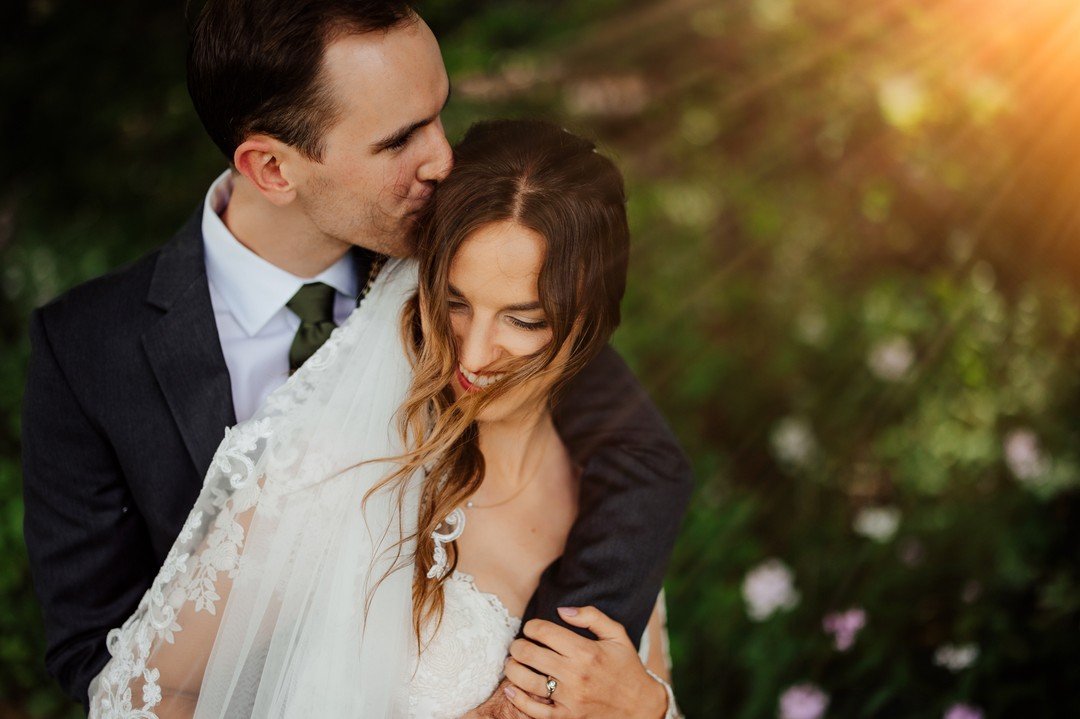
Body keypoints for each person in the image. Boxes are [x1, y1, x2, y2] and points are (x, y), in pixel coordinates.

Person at [20, 1, 692, 716]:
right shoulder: (88, 351)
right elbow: (104, 663)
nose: (444, 158)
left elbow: (641, 456)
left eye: (440, 113)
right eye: (400, 138)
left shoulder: (471, 254)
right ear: (272, 167)